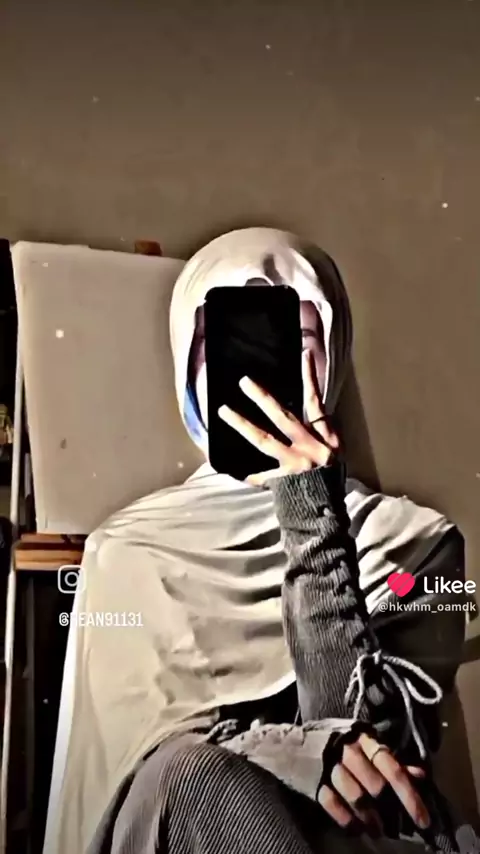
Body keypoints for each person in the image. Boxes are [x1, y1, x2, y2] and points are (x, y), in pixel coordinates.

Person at [50, 229, 473, 854]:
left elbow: (371, 781)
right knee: (193, 779)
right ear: (185, 363)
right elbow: (133, 775)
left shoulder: (415, 543)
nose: (260, 377)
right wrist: (291, 752)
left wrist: (313, 515)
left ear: (336, 356)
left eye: (296, 341)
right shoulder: (126, 552)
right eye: (223, 344)